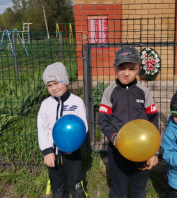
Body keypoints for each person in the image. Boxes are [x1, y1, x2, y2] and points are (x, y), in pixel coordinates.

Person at [98, 46, 159, 198]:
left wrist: (153, 152)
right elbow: (103, 120)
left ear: (139, 68)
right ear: (114, 67)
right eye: (121, 68)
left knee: (139, 190)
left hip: (142, 152)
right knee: (118, 190)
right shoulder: (109, 92)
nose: (126, 73)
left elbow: (153, 121)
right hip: (117, 151)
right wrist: (114, 137)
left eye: (132, 68)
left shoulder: (144, 92)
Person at [37, 62, 88, 198]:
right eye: (49, 85)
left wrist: (75, 144)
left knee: (76, 186)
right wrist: (47, 151)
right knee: (57, 189)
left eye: (57, 83)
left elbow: (83, 125)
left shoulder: (76, 102)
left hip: (73, 154)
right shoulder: (46, 104)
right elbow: (42, 128)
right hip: (53, 154)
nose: (54, 88)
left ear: (65, 81)